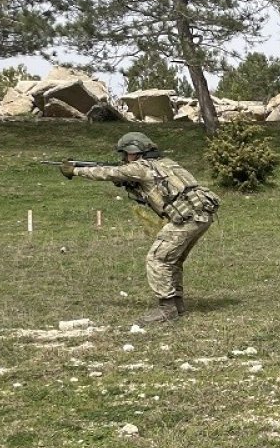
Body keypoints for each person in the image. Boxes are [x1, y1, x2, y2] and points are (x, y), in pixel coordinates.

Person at [60, 132, 220, 324]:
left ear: (134, 152)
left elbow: (107, 172)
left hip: (185, 218)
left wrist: (75, 171)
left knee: (157, 258)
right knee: (172, 260)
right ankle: (176, 305)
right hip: (202, 215)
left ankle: (167, 308)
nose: (124, 158)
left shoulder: (141, 167)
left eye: (125, 154)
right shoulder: (167, 162)